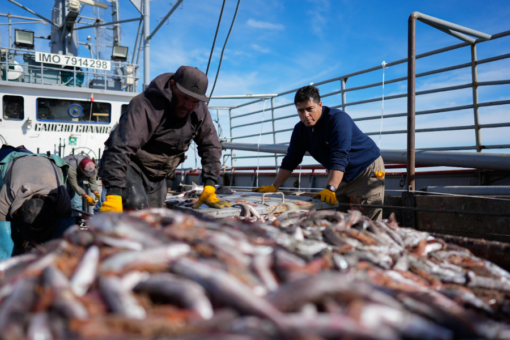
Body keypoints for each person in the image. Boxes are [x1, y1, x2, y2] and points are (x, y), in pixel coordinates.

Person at [99, 66, 229, 212]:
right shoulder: (146, 104)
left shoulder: (199, 111)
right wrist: (114, 194)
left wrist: (210, 186)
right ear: (172, 85)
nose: (188, 105)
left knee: (155, 215)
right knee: (136, 204)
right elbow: (121, 146)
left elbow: (210, 146)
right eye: (185, 97)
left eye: (194, 101)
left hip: (159, 173)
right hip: (132, 165)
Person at [253, 85, 385, 220]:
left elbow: (340, 155)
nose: (306, 115)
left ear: (320, 105)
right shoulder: (300, 130)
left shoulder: (338, 120)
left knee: (368, 221)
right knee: (334, 218)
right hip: (339, 174)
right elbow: (291, 159)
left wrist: (331, 189)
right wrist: (275, 186)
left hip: (365, 170)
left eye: (310, 109)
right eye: (300, 111)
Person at [0, 145, 71, 258]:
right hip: (15, 162)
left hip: (48, 164)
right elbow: (3, 232)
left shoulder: (61, 197)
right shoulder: (6, 197)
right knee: (5, 237)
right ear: (17, 214)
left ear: (52, 212)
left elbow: (64, 227)